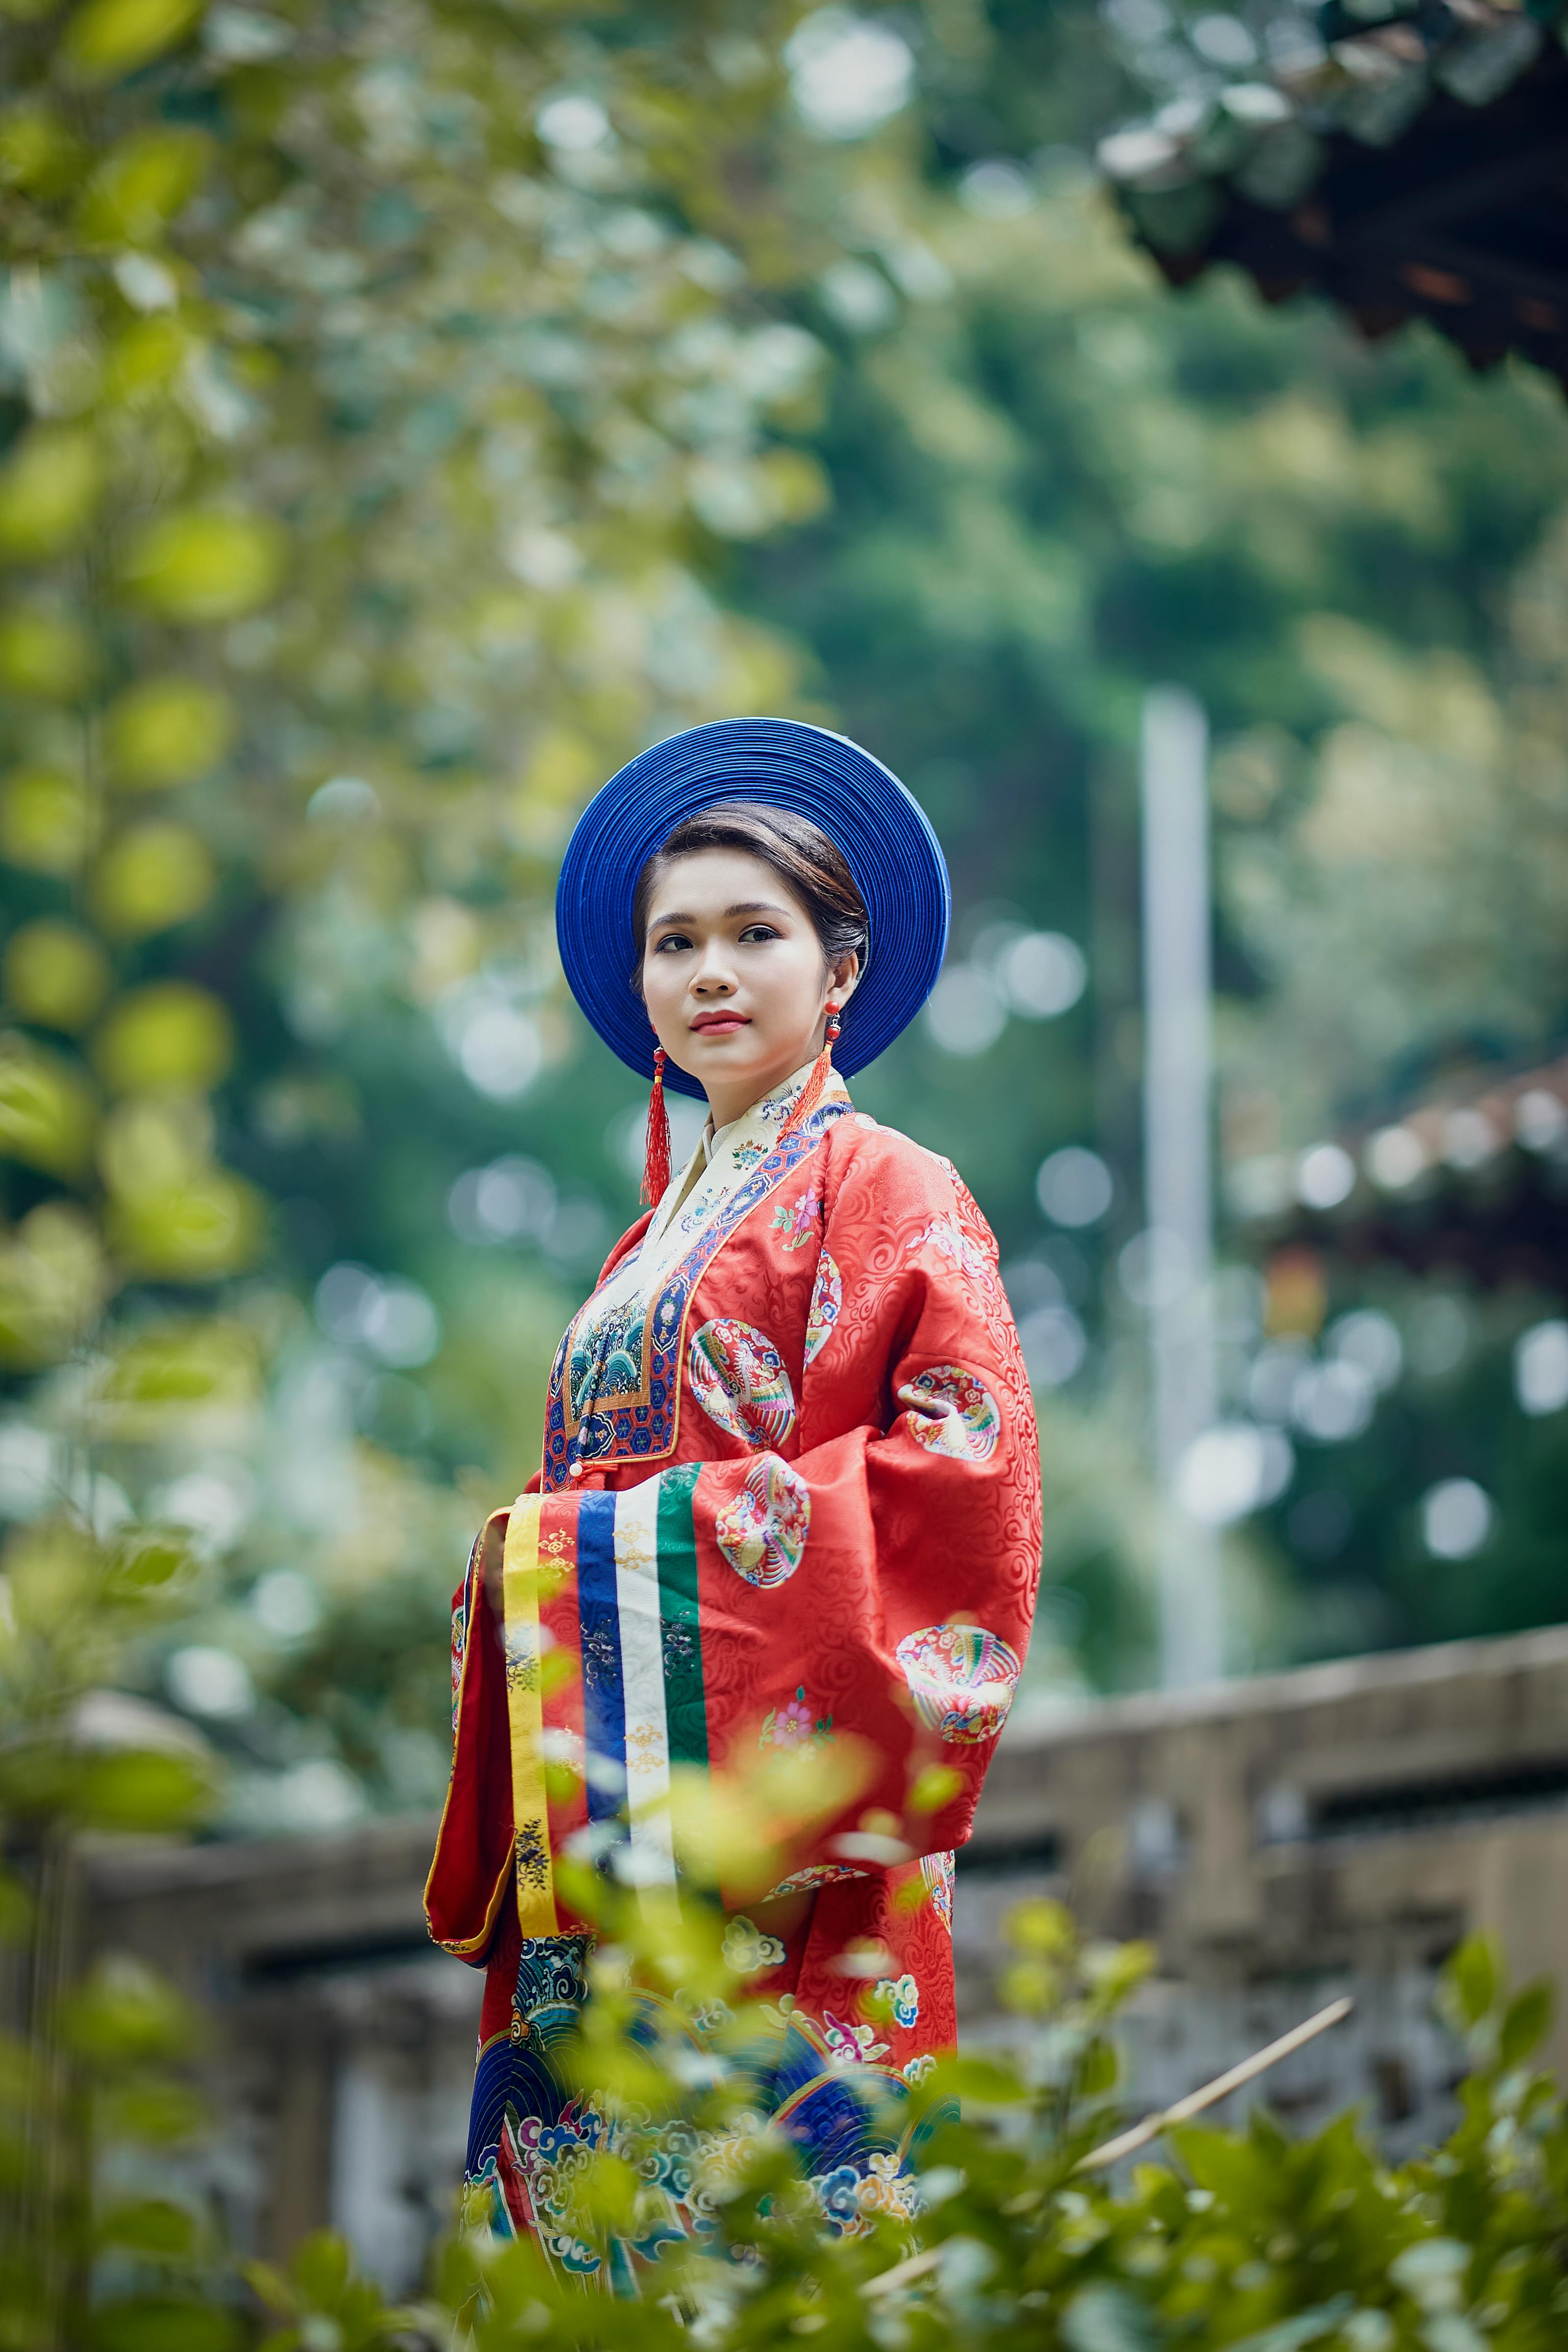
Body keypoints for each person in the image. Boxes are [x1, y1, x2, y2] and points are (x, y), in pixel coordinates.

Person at [426, 717, 1041, 2286]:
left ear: (839, 969)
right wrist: (523, 1578)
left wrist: (592, 1565)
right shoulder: (643, 1246)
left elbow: (957, 1491)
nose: (711, 971)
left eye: (754, 934)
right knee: (597, 2257)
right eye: (675, 941)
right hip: (606, 1832)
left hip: (789, 1838)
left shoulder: (891, 1190)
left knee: (775, 2261)